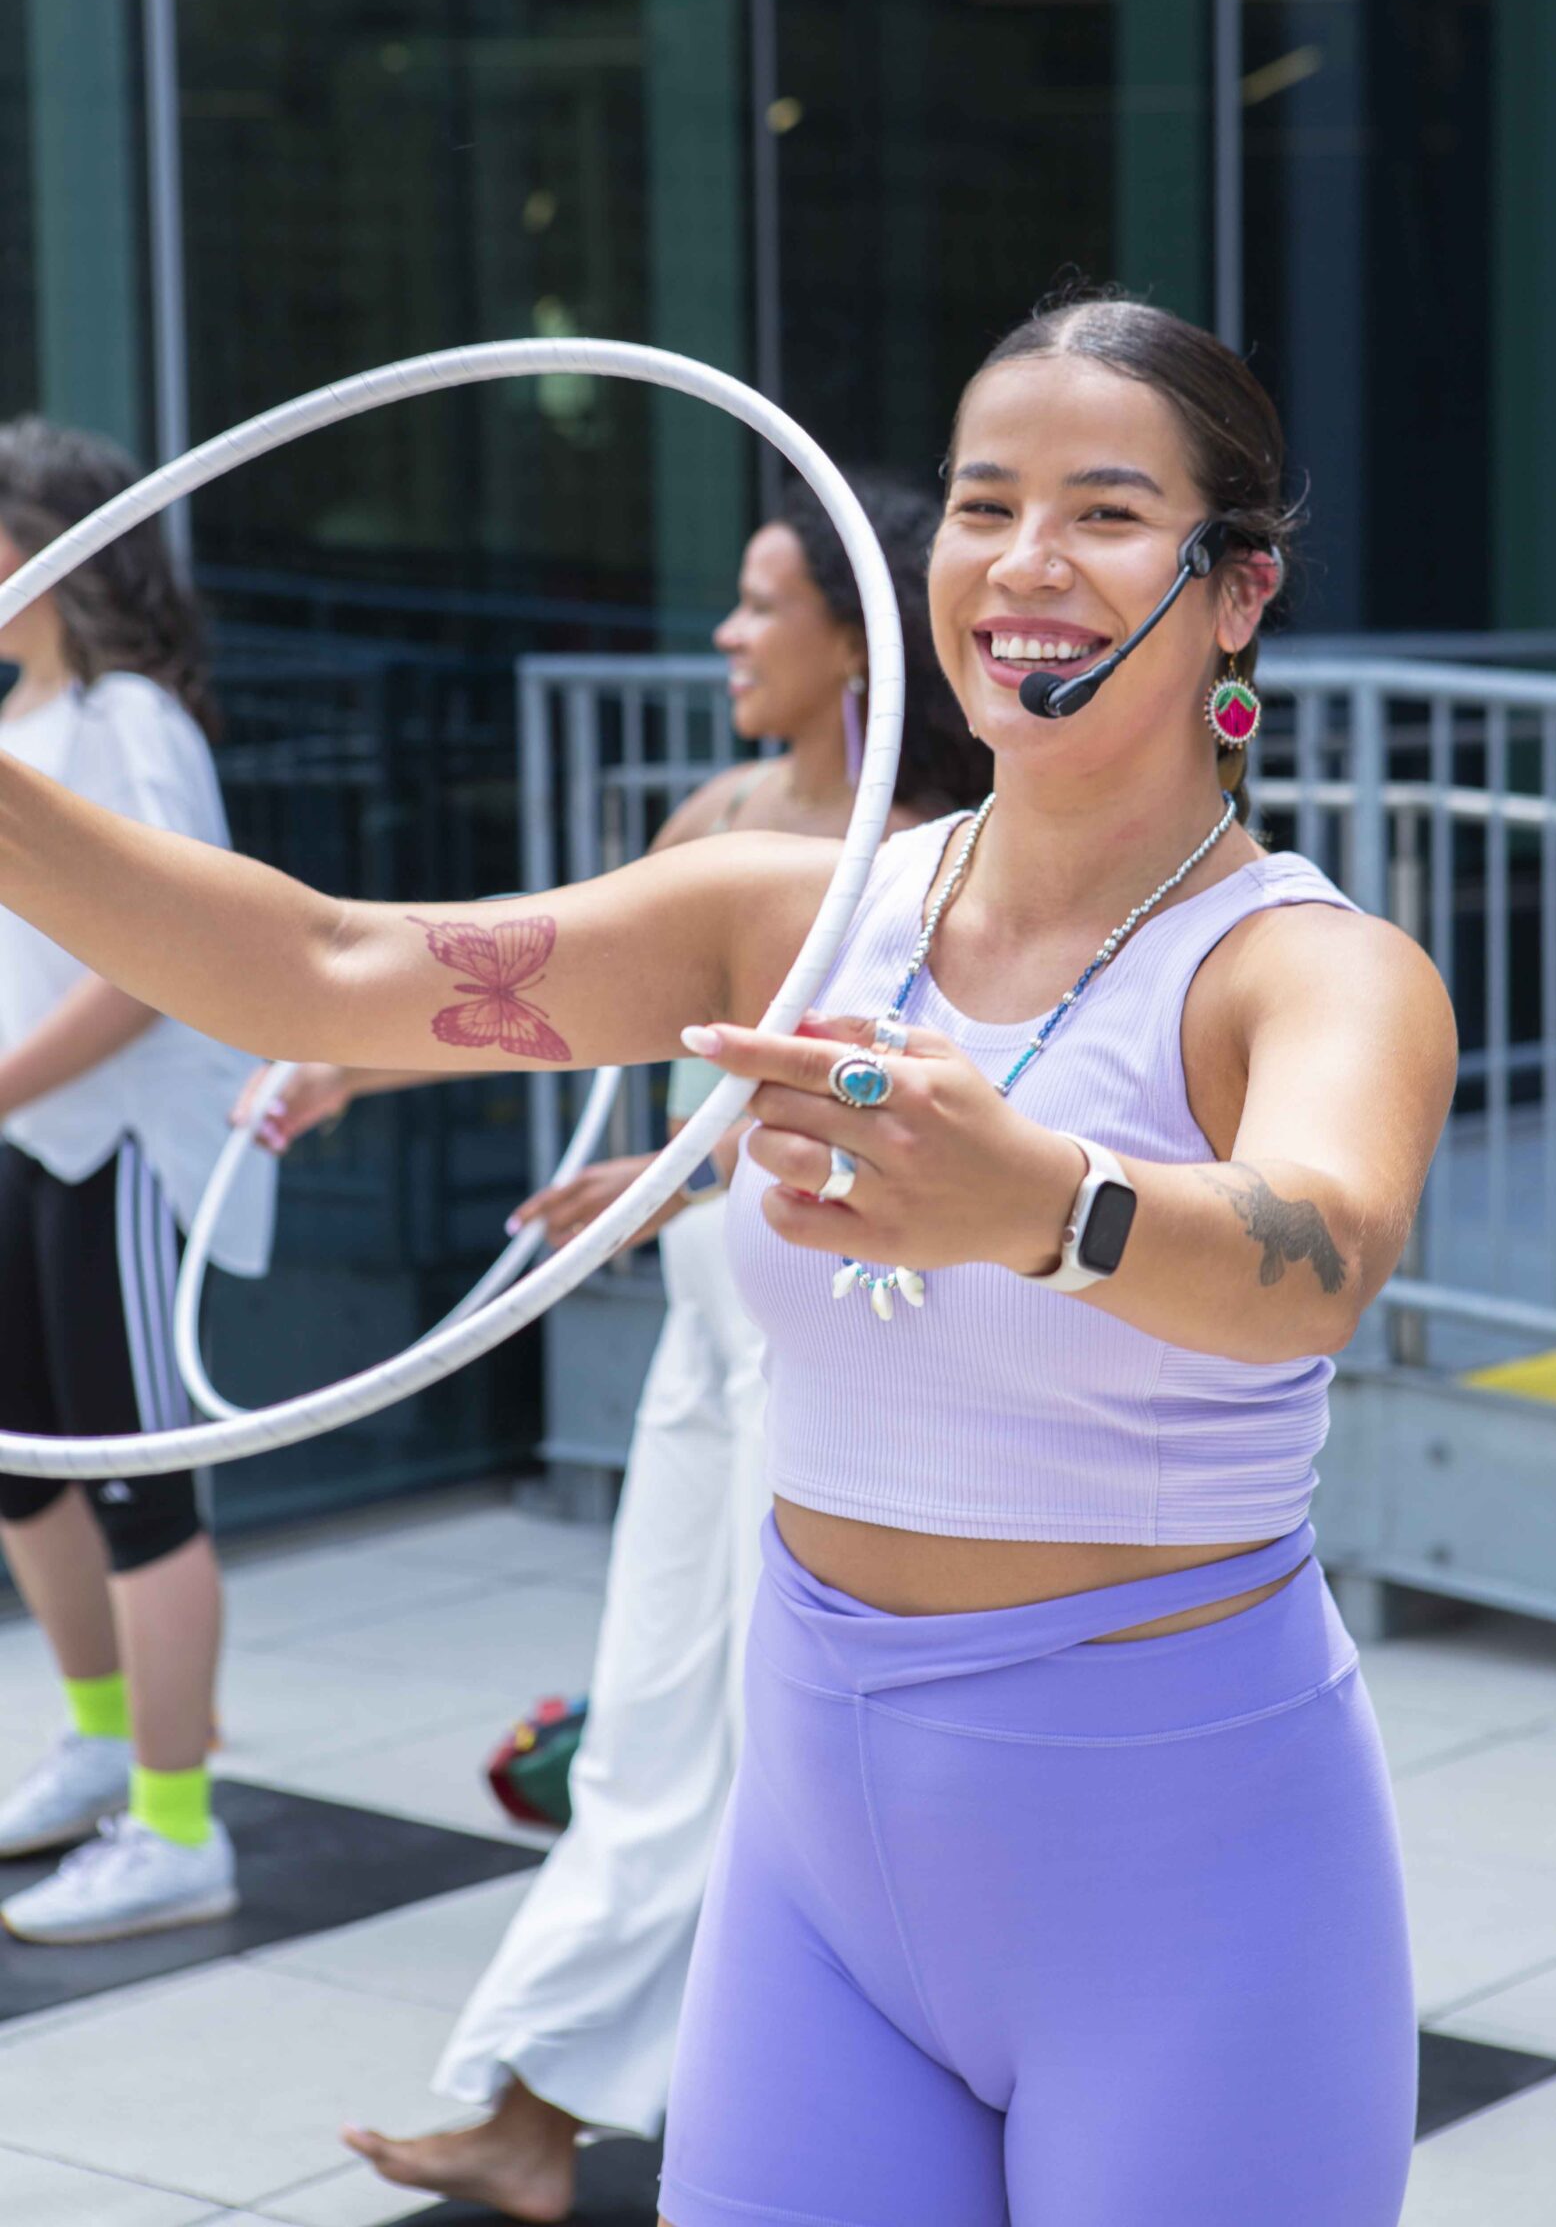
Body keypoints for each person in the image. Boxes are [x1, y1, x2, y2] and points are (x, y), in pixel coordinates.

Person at [0, 296, 1456, 2224]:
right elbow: (331, 970)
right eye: (982, 504)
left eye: (1107, 515)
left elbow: (1318, 1255)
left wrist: (1043, 1201)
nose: (1025, 566)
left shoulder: (1314, 968)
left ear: (1236, 590)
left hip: (1187, 1866)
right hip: (821, 1865)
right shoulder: (796, 911)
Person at [236, 473, 987, 2222]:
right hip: (714, 1344)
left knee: (791, 1747)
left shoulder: (938, 863)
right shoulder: (723, 822)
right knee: (652, 1720)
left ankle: (812, 2106)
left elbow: (881, 1133)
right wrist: (342, 1059)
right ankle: (535, 2109)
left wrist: (660, 1187)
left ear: (847, 634)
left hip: (849, 1355)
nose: (728, 634)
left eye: (758, 602)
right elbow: (518, 991)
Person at [0, 417, 275, 1943]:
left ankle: (178, 1827)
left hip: (118, 1155)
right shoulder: (30, 718)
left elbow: (165, 970)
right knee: (29, 1472)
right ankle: (101, 1745)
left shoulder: (129, 721)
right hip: (34, 1143)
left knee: (140, 1491)